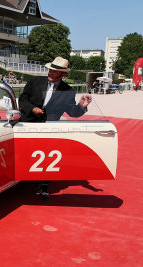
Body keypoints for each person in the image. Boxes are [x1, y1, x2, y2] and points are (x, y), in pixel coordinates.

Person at [18, 56, 92, 199]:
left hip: (49, 129)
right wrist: (33, 109)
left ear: (63, 74)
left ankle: (44, 186)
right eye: (50, 70)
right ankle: (22, 178)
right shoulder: (34, 81)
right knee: (24, 154)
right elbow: (23, 99)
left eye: (55, 71)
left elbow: (72, 112)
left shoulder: (68, 91)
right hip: (28, 124)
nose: (51, 73)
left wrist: (82, 106)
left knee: (47, 157)